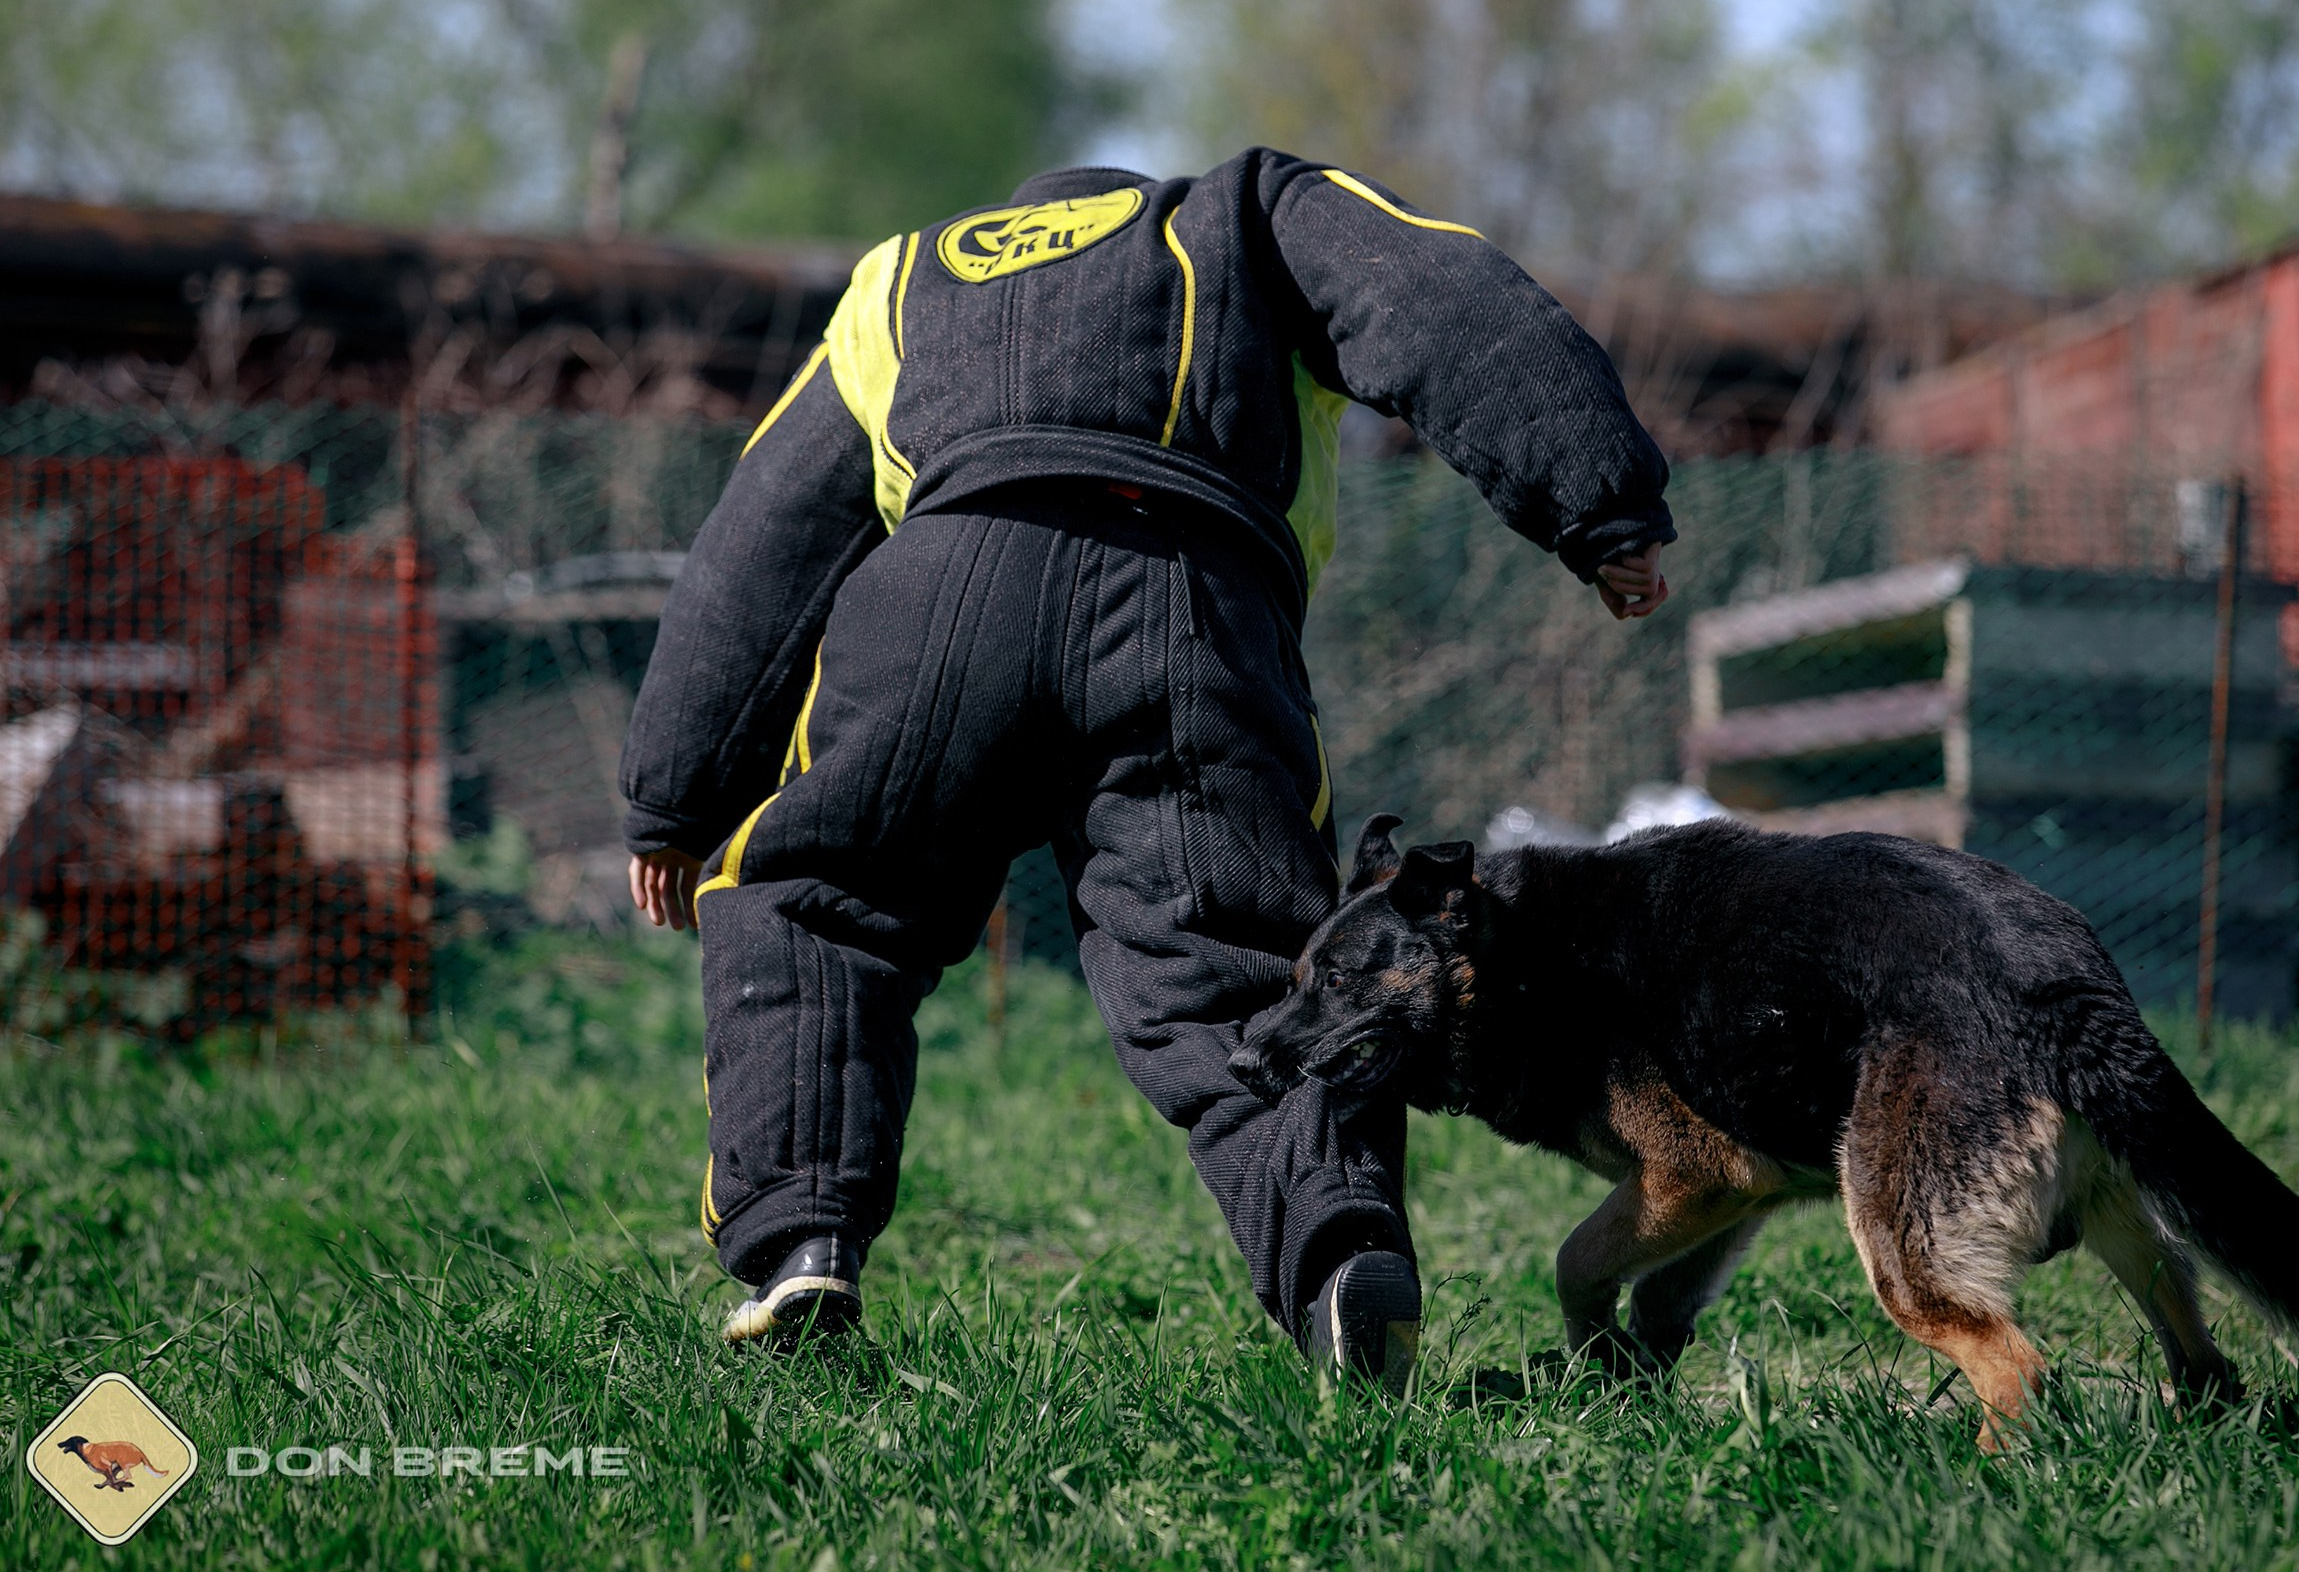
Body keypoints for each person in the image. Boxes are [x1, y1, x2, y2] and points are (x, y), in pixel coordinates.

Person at [621, 148, 1675, 1384]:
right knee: (1241, 969)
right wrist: (1600, 506)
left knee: (815, 904)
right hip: (1194, 602)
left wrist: (675, 796)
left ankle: (799, 1242)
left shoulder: (901, 279)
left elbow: (762, 535)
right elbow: (1439, 295)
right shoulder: (1246, 212)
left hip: (937, 600)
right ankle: (1339, 1254)